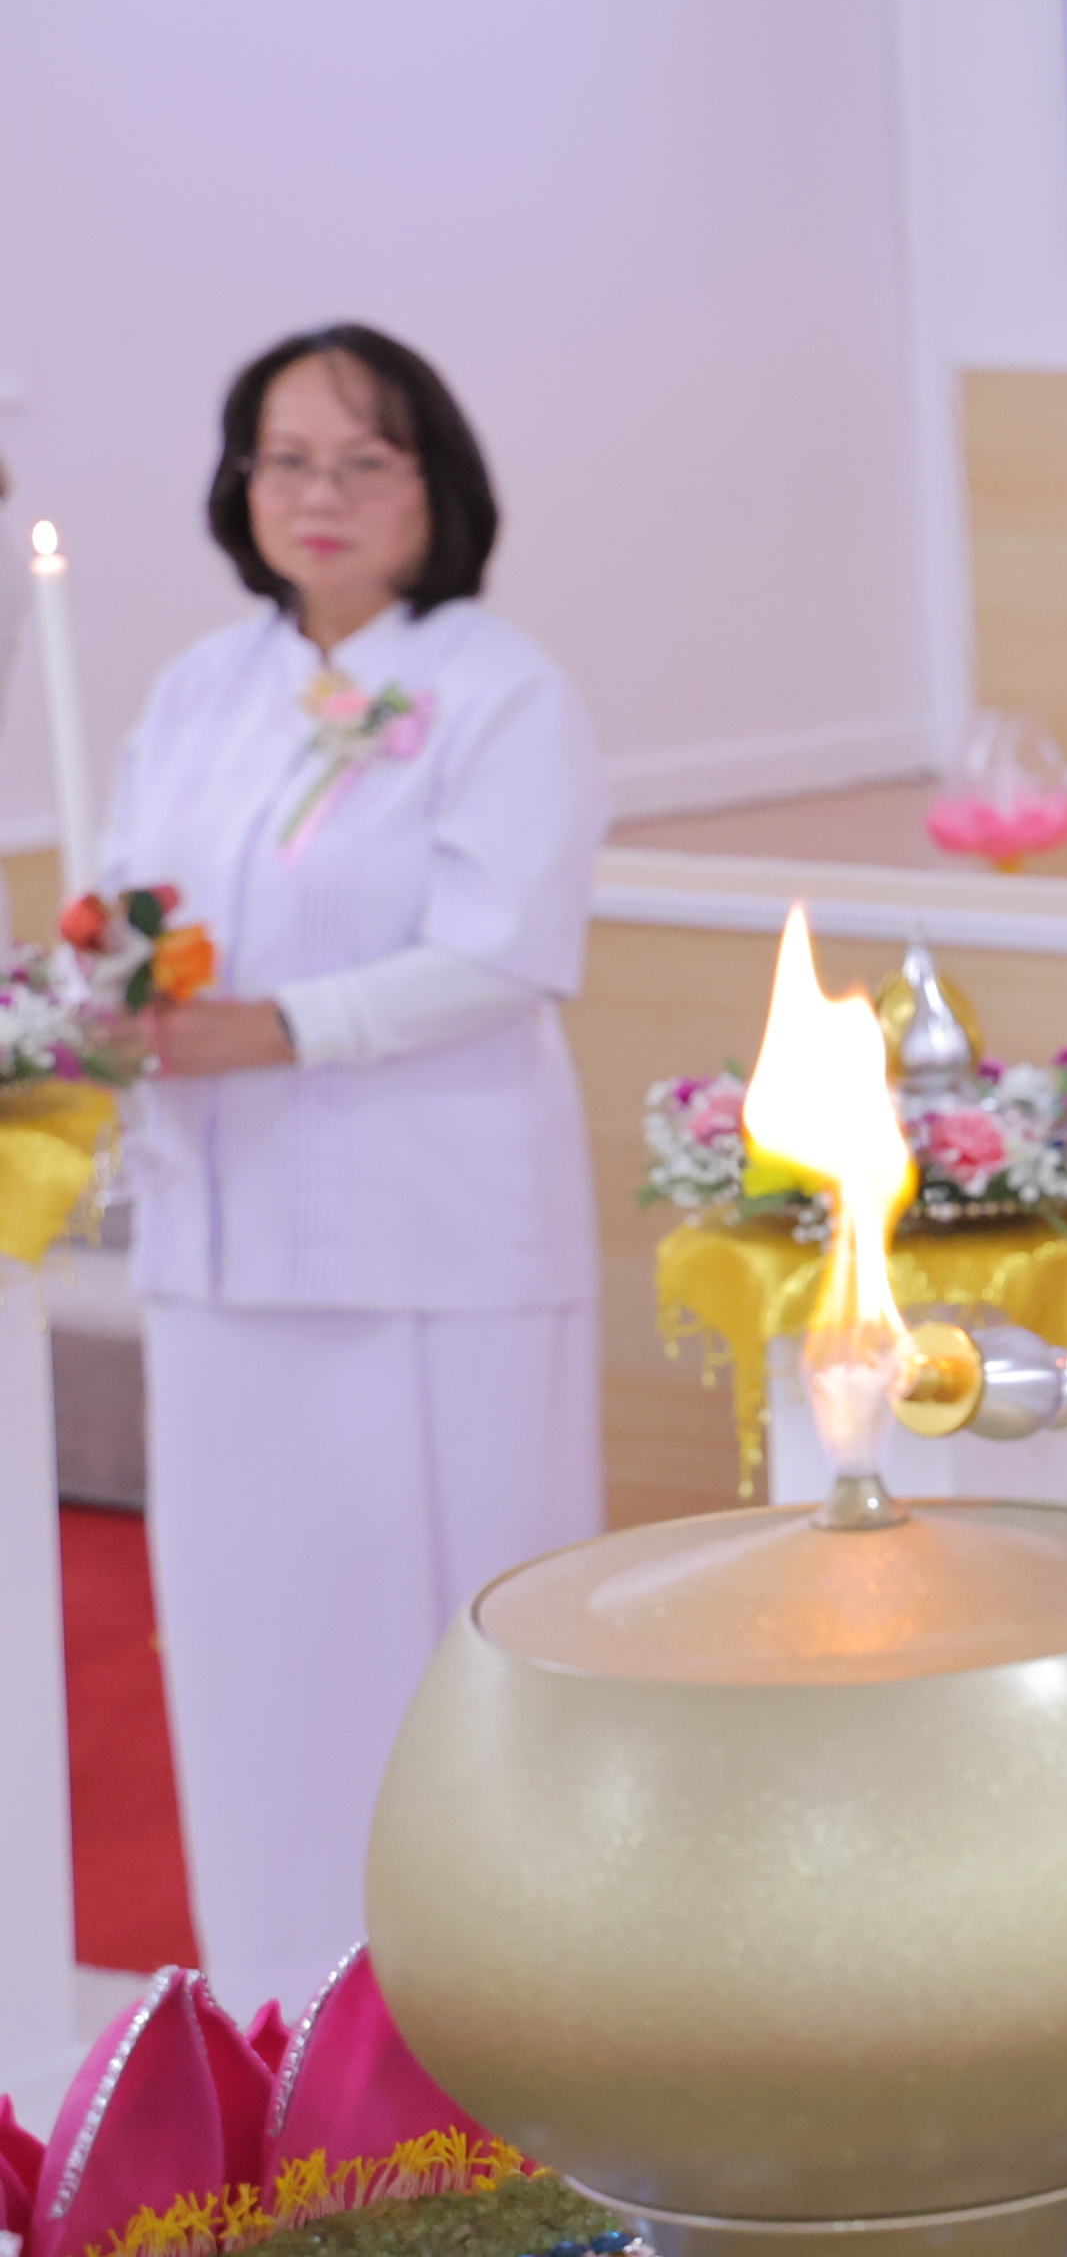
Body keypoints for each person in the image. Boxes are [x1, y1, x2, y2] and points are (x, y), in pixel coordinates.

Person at [99, 325, 606, 2017]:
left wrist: (281, 1027)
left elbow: (507, 949)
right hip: (222, 1252)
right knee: (252, 1663)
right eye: (284, 458)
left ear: (433, 484)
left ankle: (494, 2033)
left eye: (361, 460)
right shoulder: (202, 685)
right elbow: (135, 911)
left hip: (431, 1253)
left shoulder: (499, 686)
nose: (316, 493)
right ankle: (276, 2023)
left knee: (448, 1671)